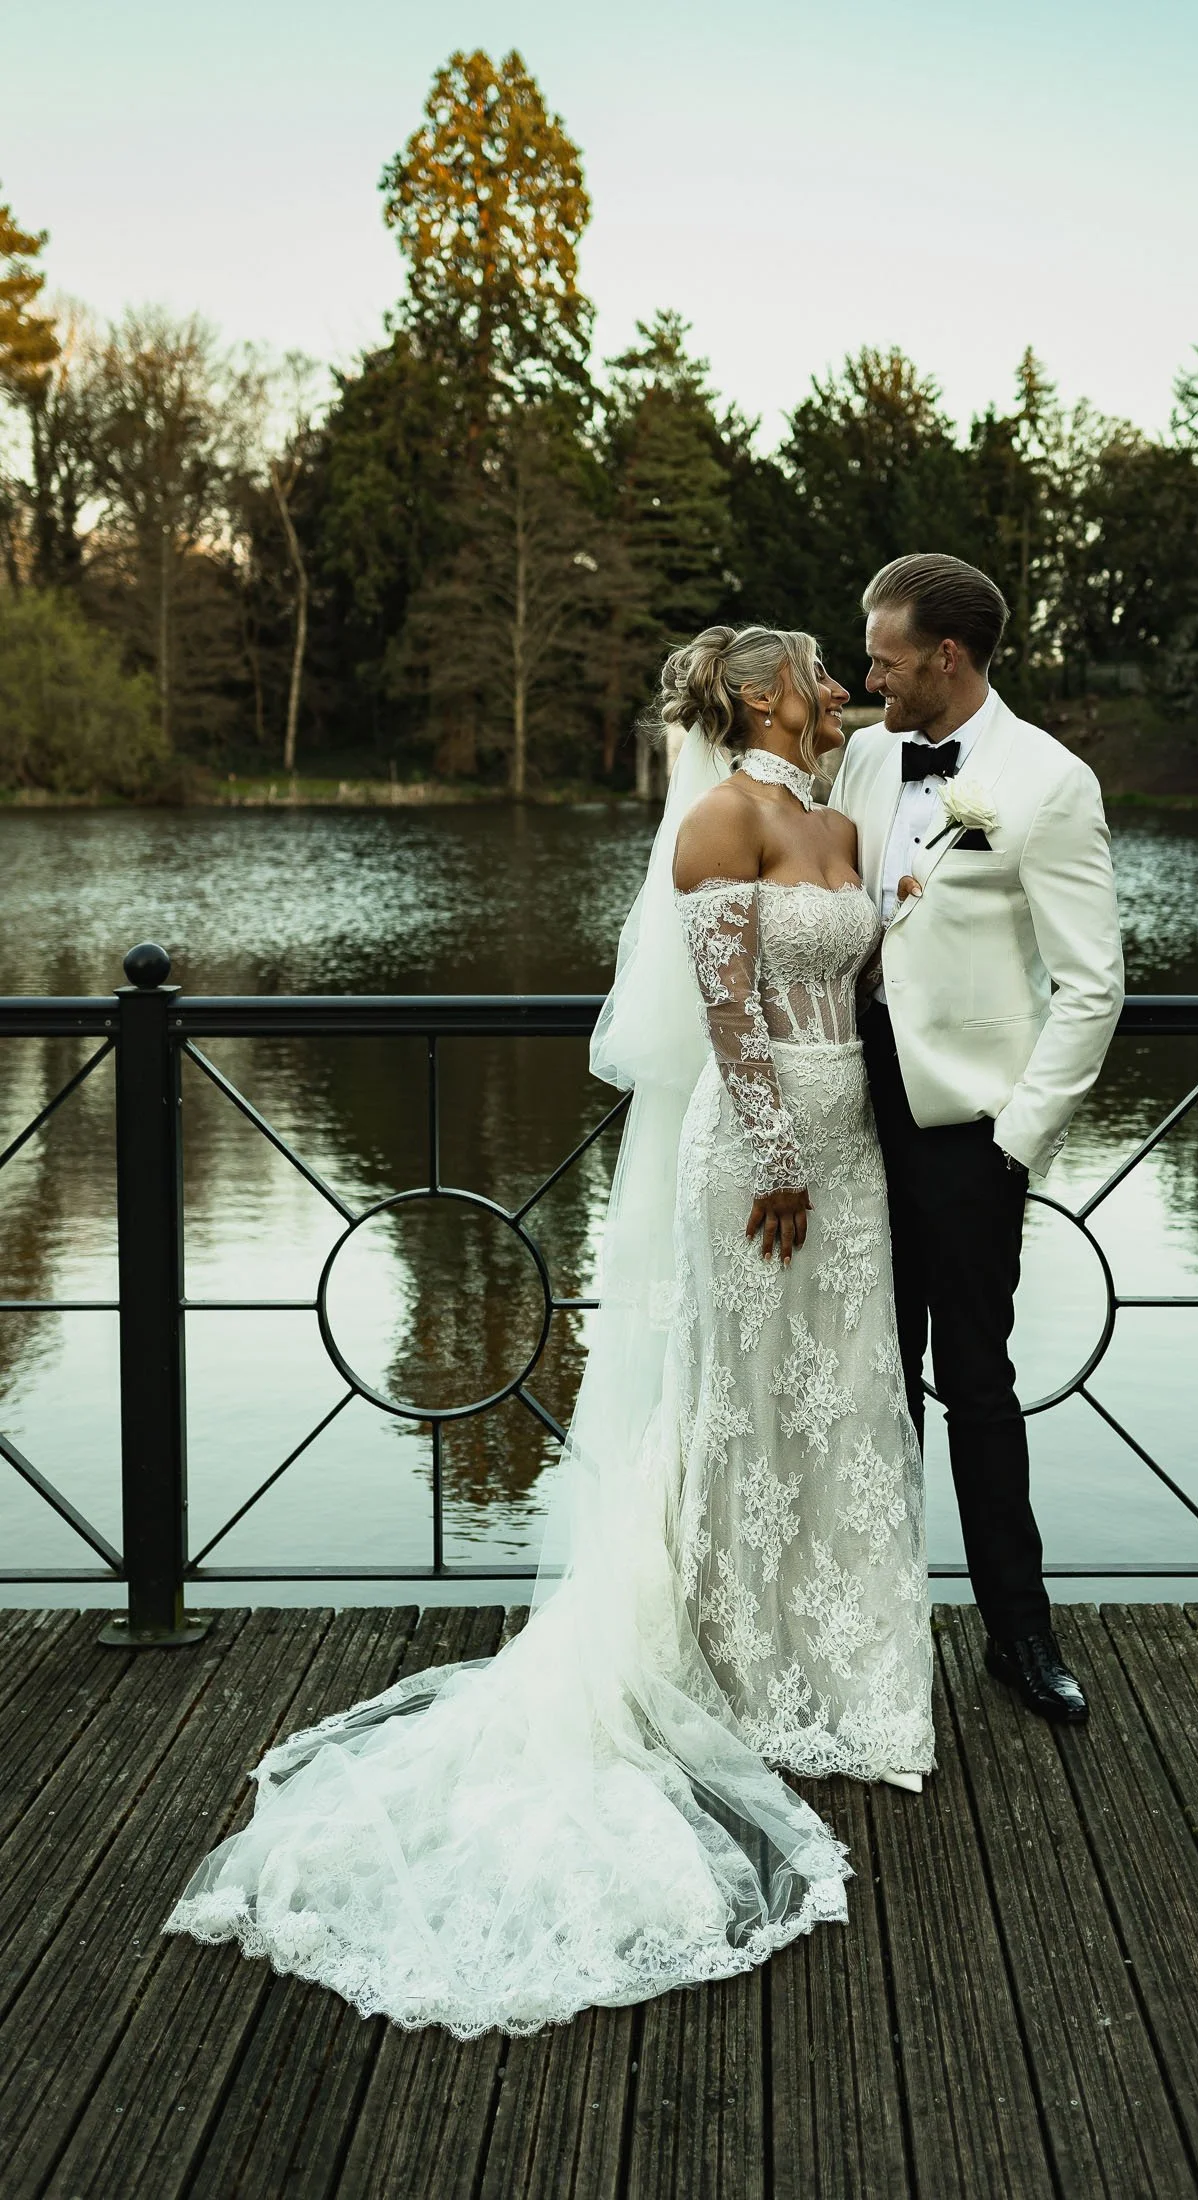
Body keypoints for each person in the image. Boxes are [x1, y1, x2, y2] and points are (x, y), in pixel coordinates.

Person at [164, 626, 933, 2039]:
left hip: (854, 1153)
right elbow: (723, 1011)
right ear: (760, 694)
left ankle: (833, 1672)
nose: (837, 692)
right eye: (818, 672)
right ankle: (719, 1656)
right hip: (756, 1156)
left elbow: (852, 978)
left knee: (838, 1394)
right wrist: (769, 1156)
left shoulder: (833, 816)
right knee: (737, 1399)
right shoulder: (720, 819)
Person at [831, 554, 1125, 1724]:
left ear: (945, 657)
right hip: (845, 1110)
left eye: (885, 658)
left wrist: (1017, 1141)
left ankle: (1020, 1633)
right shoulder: (862, 754)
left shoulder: (1048, 783)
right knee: (864, 1377)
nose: (869, 676)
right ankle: (869, 1626)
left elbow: (1093, 986)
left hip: (965, 1134)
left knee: (977, 1382)